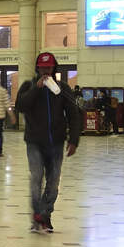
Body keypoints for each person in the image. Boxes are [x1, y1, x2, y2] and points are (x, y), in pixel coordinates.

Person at [14, 52, 83, 234]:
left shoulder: (62, 88)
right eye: (42, 67)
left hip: (56, 143)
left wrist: (74, 139)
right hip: (34, 142)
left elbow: (74, 114)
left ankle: (45, 215)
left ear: (54, 69)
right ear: (37, 68)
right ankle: (37, 214)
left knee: (53, 182)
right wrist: (36, 89)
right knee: (36, 177)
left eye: (49, 67)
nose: (45, 71)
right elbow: (20, 106)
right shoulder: (28, 86)